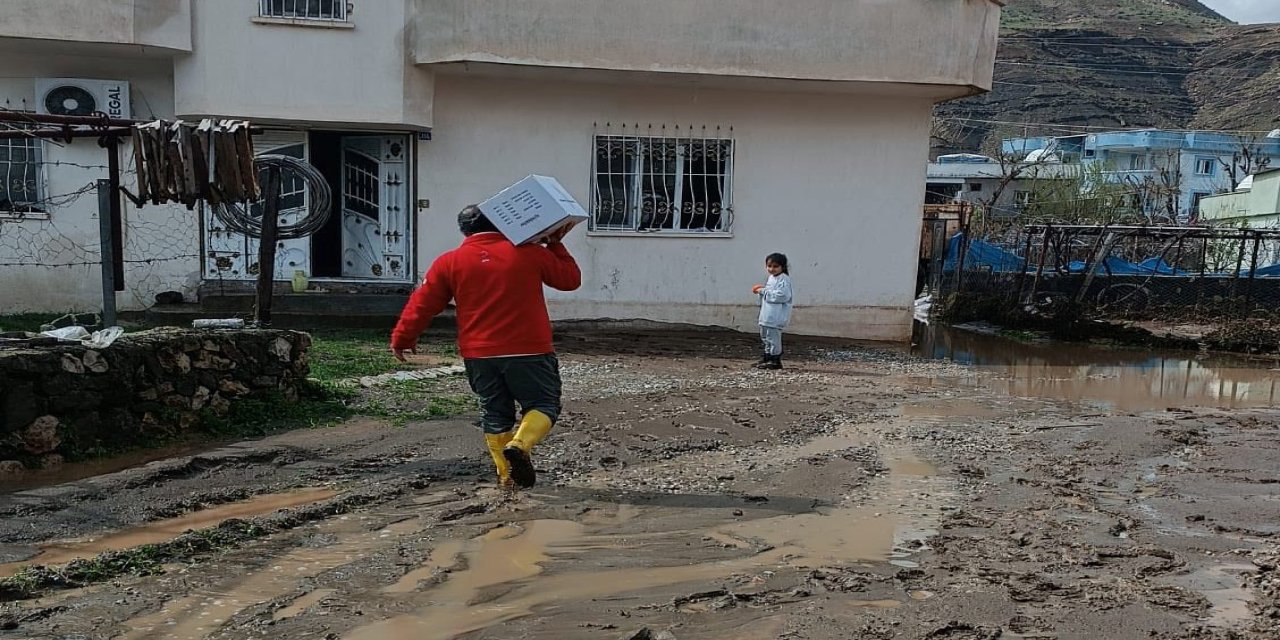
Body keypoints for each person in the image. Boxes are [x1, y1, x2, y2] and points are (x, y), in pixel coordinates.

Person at [390, 205, 581, 489]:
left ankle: (507, 477)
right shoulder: (530, 252)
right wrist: (555, 244)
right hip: (529, 350)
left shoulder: (449, 262)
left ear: (464, 231)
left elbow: (422, 304)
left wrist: (403, 339)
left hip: (479, 354)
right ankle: (520, 444)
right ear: (503, 223)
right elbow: (570, 280)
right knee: (543, 403)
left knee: (494, 412)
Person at [751, 253, 793, 370]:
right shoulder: (771, 278)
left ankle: (775, 360)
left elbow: (782, 296)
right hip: (767, 314)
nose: (771, 269)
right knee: (765, 336)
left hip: (775, 315)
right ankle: (767, 356)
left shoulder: (784, 280)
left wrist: (763, 291)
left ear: (782, 267)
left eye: (775, 266)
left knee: (773, 338)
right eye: (769, 266)